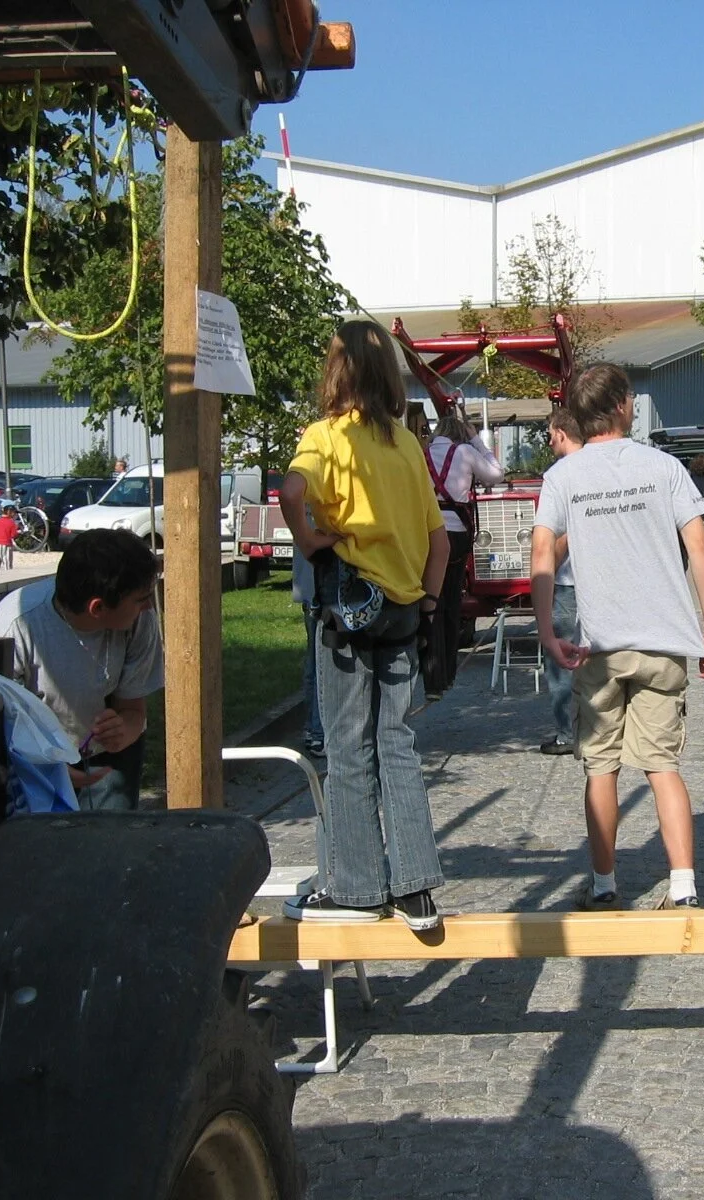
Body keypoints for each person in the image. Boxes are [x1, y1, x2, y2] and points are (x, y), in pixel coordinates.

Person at [279, 319, 450, 930]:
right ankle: (416, 888)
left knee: (349, 749)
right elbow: (439, 543)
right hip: (403, 614)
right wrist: (428, 605)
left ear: (337, 373)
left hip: (348, 617)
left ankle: (356, 889)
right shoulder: (407, 445)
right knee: (398, 744)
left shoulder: (326, 439)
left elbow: (290, 489)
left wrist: (308, 538)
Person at [532, 363, 704, 911]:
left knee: (601, 767)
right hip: (664, 641)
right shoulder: (663, 467)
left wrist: (548, 633)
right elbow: (700, 550)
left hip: (600, 644)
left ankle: (603, 884)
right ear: (619, 405)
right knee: (662, 765)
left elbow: (544, 552)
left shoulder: (563, 477)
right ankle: (684, 885)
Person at [0, 528, 164, 811]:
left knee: (107, 845)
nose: (149, 605)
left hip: (106, 758)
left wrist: (123, 731)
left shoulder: (140, 621)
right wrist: (48, 769)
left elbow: (133, 710)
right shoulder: (16, 626)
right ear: (98, 607)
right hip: (28, 761)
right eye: (141, 599)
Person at [423, 405, 503, 697]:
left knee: (432, 601)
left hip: (428, 534)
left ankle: (432, 675)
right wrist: (477, 442)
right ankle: (448, 674)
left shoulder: (422, 455)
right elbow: (495, 474)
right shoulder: (466, 453)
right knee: (451, 601)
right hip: (457, 534)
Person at [539, 406, 585, 755]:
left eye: (549, 434)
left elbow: (550, 541)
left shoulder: (560, 475)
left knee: (561, 658)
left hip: (569, 580)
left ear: (560, 433)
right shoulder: (602, 466)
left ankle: (567, 733)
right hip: (600, 578)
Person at [290, 540, 324, 758]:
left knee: (314, 661)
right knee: (321, 664)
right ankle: (317, 732)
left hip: (312, 589)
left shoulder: (304, 507)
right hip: (321, 592)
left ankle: (314, 730)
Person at [0, 499, 19, 572]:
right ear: (9, 511)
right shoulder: (11, 523)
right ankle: (8, 579)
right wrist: (19, 531)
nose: (15, 514)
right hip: (6, 545)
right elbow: (13, 535)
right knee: (7, 564)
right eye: (14, 512)